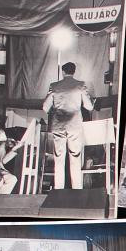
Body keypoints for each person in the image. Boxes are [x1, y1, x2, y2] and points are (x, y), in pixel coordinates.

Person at [42, 62, 94, 190]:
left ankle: (59, 189)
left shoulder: (54, 86)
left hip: (58, 125)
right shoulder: (80, 85)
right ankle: (77, 189)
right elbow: (89, 107)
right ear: (74, 72)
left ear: (63, 72)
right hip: (74, 125)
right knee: (75, 157)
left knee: (59, 158)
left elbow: (45, 107)